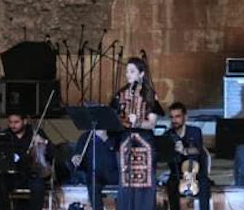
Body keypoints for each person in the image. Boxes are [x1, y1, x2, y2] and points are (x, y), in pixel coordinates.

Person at [110, 58, 162, 210]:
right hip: (125, 143)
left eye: (132, 71)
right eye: (127, 71)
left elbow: (152, 123)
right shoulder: (120, 94)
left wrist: (137, 122)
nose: (128, 74)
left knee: (145, 185)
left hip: (144, 143)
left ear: (142, 74)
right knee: (125, 184)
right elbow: (112, 116)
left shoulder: (149, 94)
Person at [0, 111, 48, 210]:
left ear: (24, 121)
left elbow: (51, 152)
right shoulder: (4, 135)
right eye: (10, 122)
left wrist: (43, 142)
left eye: (16, 122)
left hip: (31, 173)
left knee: (38, 187)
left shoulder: (35, 132)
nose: (12, 125)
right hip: (11, 174)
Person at [165, 103, 210, 210]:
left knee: (204, 185)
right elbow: (166, 158)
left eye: (177, 116)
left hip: (196, 172)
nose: (174, 120)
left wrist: (184, 150)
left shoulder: (195, 131)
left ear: (185, 117)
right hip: (178, 173)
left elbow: (198, 149)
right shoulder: (168, 135)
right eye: (172, 117)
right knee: (171, 185)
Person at [68, 128, 119, 210]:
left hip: (114, 174)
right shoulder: (85, 137)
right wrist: (76, 159)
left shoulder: (115, 134)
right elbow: (78, 157)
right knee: (93, 184)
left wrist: (105, 139)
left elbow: (118, 151)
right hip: (94, 176)